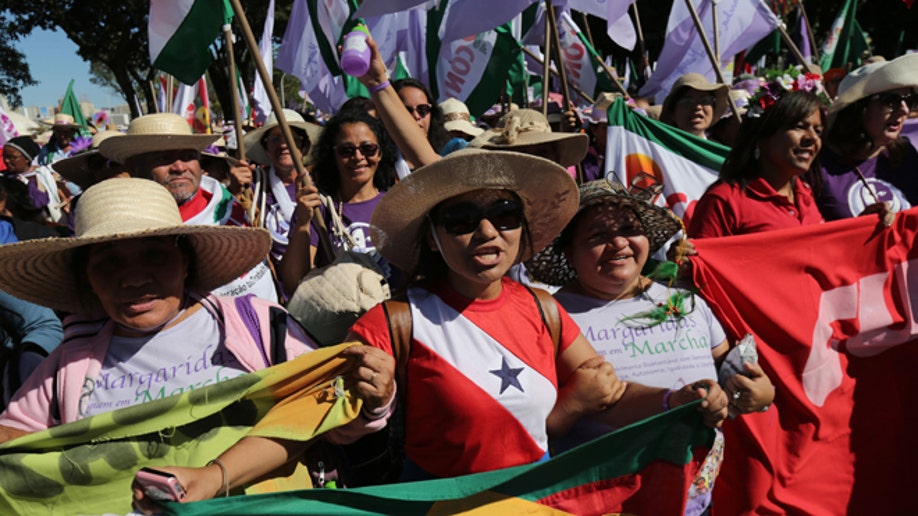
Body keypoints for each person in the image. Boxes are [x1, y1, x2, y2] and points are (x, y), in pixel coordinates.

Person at [346, 149, 727, 480]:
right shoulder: (393, 322)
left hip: (536, 501)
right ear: (432, 237)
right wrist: (374, 406)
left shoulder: (543, 307)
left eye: (505, 214)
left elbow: (609, 395)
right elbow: (335, 429)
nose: (487, 231)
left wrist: (677, 399)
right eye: (461, 219)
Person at [0, 179, 394, 451]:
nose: (134, 278)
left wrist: (373, 399)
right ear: (88, 279)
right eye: (109, 262)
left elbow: (331, 419)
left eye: (154, 255)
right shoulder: (67, 368)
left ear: (185, 261)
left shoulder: (259, 326)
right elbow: (14, 443)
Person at [525, 178, 770, 514]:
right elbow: (531, 423)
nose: (618, 242)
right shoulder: (549, 317)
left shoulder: (689, 301)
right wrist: (573, 406)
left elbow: (730, 374)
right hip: (604, 504)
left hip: (695, 502)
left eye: (630, 229)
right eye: (597, 235)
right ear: (569, 252)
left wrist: (759, 394)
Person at [99, 113, 280, 302]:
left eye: (188, 156)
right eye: (164, 158)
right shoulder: (131, 227)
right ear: (133, 167)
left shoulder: (220, 194)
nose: (179, 167)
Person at [277, 109, 396, 295]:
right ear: (333, 156)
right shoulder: (317, 208)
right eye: (346, 150)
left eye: (368, 148)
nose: (358, 157)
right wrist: (303, 222)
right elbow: (294, 282)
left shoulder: (397, 206)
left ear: (380, 153)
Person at [688, 85, 828, 238]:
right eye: (799, 127)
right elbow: (702, 253)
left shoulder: (804, 193)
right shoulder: (724, 201)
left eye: (818, 131)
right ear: (761, 136)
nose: (813, 138)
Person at [811, 53, 918, 221]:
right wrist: (861, 226)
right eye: (890, 101)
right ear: (859, 108)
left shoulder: (906, 154)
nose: (904, 110)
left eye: (910, 100)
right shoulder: (817, 164)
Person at [240, 109, 323, 263]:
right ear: (266, 149)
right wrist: (234, 191)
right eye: (275, 139)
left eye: (291, 138)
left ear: (305, 146)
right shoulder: (253, 186)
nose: (283, 145)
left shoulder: (321, 186)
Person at [3, 136, 68, 223]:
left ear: (27, 159)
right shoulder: (3, 178)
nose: (6, 160)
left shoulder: (43, 176)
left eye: (12, 157)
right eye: (4, 156)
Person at [392, 78, 451, 165]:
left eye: (422, 109)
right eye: (406, 110)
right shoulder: (377, 162)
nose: (416, 116)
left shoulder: (450, 156)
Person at [660, 73, 729, 139]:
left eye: (705, 100)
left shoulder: (716, 147)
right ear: (673, 113)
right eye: (687, 102)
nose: (698, 107)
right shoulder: (660, 146)